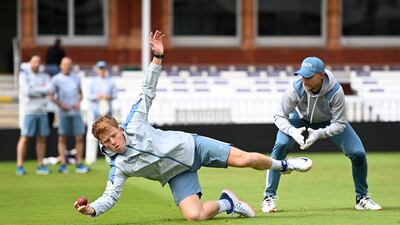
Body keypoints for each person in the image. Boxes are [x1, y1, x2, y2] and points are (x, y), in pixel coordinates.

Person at [73, 31, 313, 221]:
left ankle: (285, 165)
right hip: (177, 174)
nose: (112, 142)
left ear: (120, 129)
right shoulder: (118, 166)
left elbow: (147, 91)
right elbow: (110, 196)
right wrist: (91, 210)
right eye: (106, 142)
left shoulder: (134, 121)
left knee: (246, 160)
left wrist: (157, 57)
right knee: (194, 216)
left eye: (113, 136)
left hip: (192, 146)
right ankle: (229, 203)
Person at [260, 56, 382, 213]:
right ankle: (268, 198)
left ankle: (362, 198)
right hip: (299, 119)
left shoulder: (335, 91)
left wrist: (318, 134)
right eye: (303, 75)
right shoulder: (296, 87)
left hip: (328, 121)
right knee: (281, 145)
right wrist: (292, 131)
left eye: (309, 77)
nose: (305, 80)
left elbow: (339, 123)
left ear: (321, 75)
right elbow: (279, 115)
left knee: (358, 153)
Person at [50, 57, 90, 174]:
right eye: (65, 64)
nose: (67, 66)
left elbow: (81, 94)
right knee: (62, 137)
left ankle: (79, 163)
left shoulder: (76, 77)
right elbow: (51, 96)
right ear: (61, 66)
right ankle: (63, 163)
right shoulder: (56, 79)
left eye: (69, 64)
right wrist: (60, 104)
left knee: (79, 137)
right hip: (63, 113)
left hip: (76, 112)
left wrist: (79, 101)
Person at [16, 55, 53, 175]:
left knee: (41, 138)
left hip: (42, 111)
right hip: (29, 111)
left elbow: (50, 89)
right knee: (24, 137)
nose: (36, 64)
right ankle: (19, 166)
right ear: (29, 63)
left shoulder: (44, 75)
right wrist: (42, 91)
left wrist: (36, 90)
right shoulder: (24, 75)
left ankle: (41, 165)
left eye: (38, 62)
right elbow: (27, 92)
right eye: (34, 62)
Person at [85, 60, 118, 164]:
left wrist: (107, 96)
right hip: (95, 111)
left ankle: (109, 157)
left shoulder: (110, 81)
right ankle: (90, 158)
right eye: (100, 68)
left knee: (108, 135)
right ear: (97, 69)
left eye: (103, 68)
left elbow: (115, 95)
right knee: (91, 135)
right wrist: (97, 96)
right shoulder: (93, 81)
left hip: (107, 112)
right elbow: (88, 95)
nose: (101, 70)